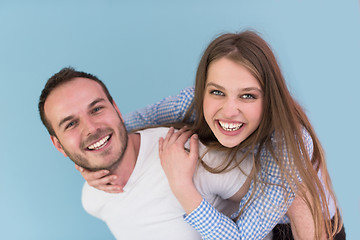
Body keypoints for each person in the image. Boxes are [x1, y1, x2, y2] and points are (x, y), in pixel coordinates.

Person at [80, 31, 345, 239]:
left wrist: (182, 186)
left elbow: (242, 238)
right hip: (245, 213)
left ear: (269, 98)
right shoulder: (194, 100)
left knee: (298, 194)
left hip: (303, 226)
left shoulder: (288, 145)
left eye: (248, 95)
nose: (229, 111)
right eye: (217, 92)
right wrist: (95, 158)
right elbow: (127, 123)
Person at [38, 67, 258, 240]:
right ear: (59, 145)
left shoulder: (189, 155)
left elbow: (275, 214)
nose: (91, 128)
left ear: (116, 108)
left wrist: (184, 188)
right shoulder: (92, 199)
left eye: (96, 109)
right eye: (71, 124)